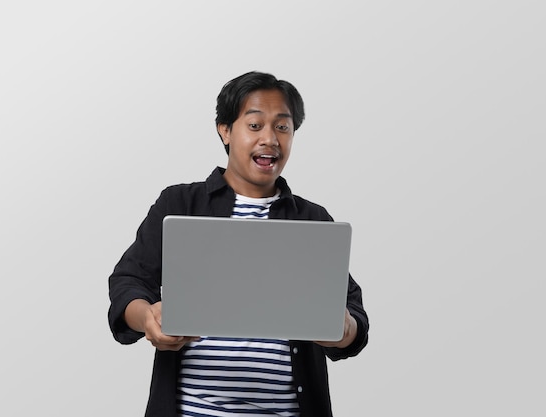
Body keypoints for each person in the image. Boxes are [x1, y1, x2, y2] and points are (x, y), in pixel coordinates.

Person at [108, 71, 369, 417]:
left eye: (282, 127)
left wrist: (344, 329)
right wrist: (148, 317)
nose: (271, 139)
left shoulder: (313, 220)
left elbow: (353, 316)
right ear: (226, 130)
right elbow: (128, 281)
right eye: (255, 125)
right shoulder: (180, 205)